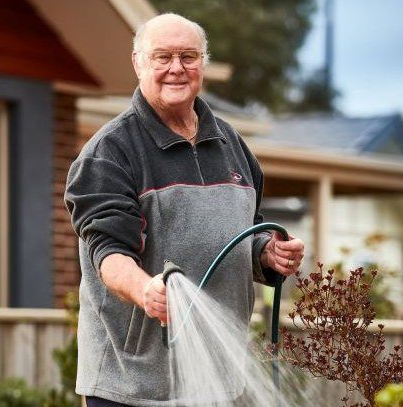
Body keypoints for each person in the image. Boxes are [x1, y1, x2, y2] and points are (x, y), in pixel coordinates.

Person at [64, 13, 305, 407]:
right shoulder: (111, 151)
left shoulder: (231, 144)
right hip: (133, 386)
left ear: (203, 65)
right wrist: (145, 290)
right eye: (162, 56)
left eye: (188, 56)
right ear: (138, 63)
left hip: (216, 382)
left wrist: (267, 252)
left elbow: (248, 228)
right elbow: (106, 253)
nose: (176, 67)